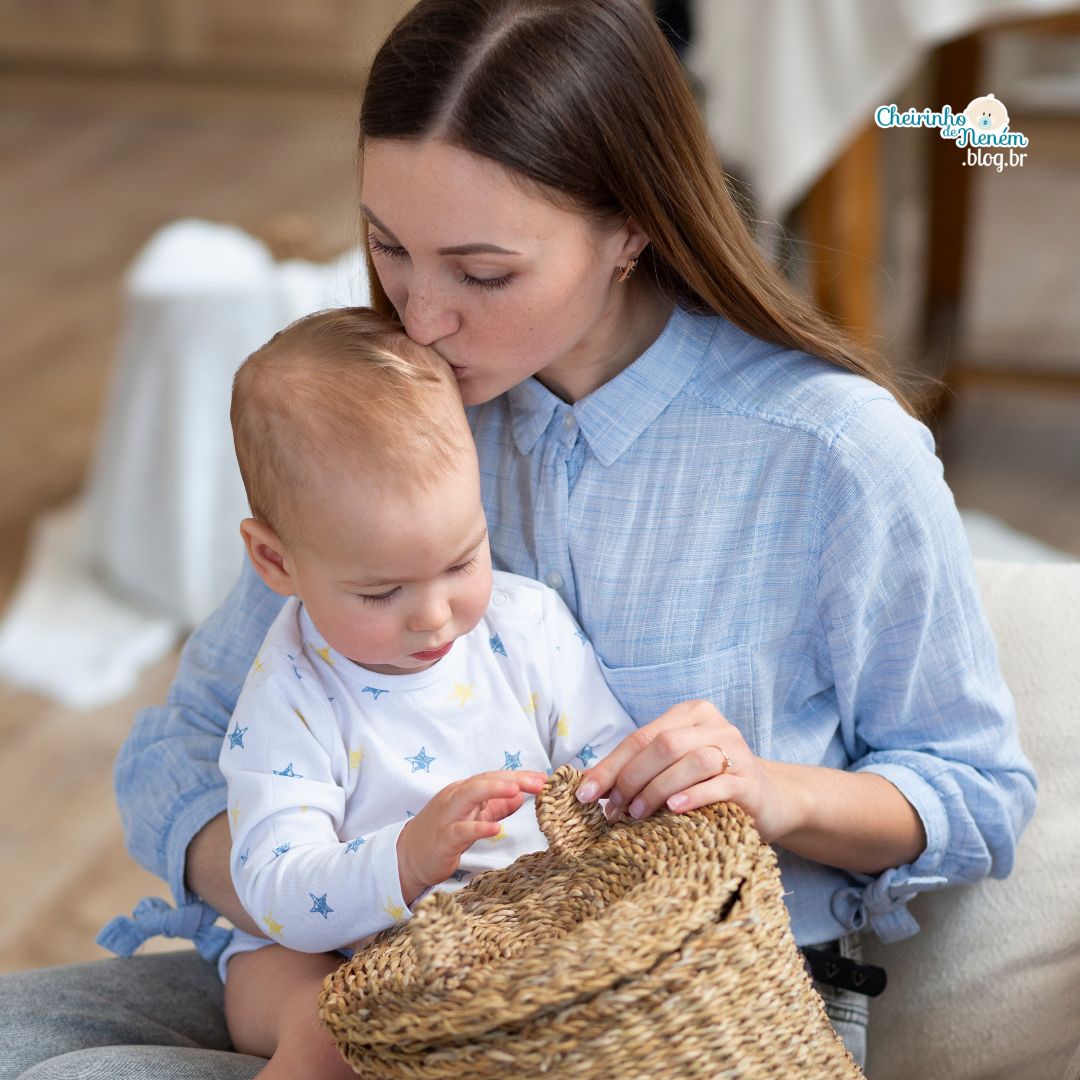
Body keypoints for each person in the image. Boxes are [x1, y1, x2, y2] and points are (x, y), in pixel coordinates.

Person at [0, 1, 1035, 1076]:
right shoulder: (388, 424)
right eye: (388, 247)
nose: (421, 318)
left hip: (692, 1005)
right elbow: (178, 757)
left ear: (631, 227)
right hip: (359, 973)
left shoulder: (832, 453)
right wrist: (312, 923)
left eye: (482, 273)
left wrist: (774, 791)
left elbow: (977, 789)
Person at [218, 306, 635, 1077]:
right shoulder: (294, 695)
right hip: (327, 947)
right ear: (276, 562)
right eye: (381, 593)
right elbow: (276, 886)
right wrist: (407, 860)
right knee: (323, 1025)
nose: (437, 615)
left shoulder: (526, 626)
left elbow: (605, 769)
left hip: (514, 928)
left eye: (462, 558)